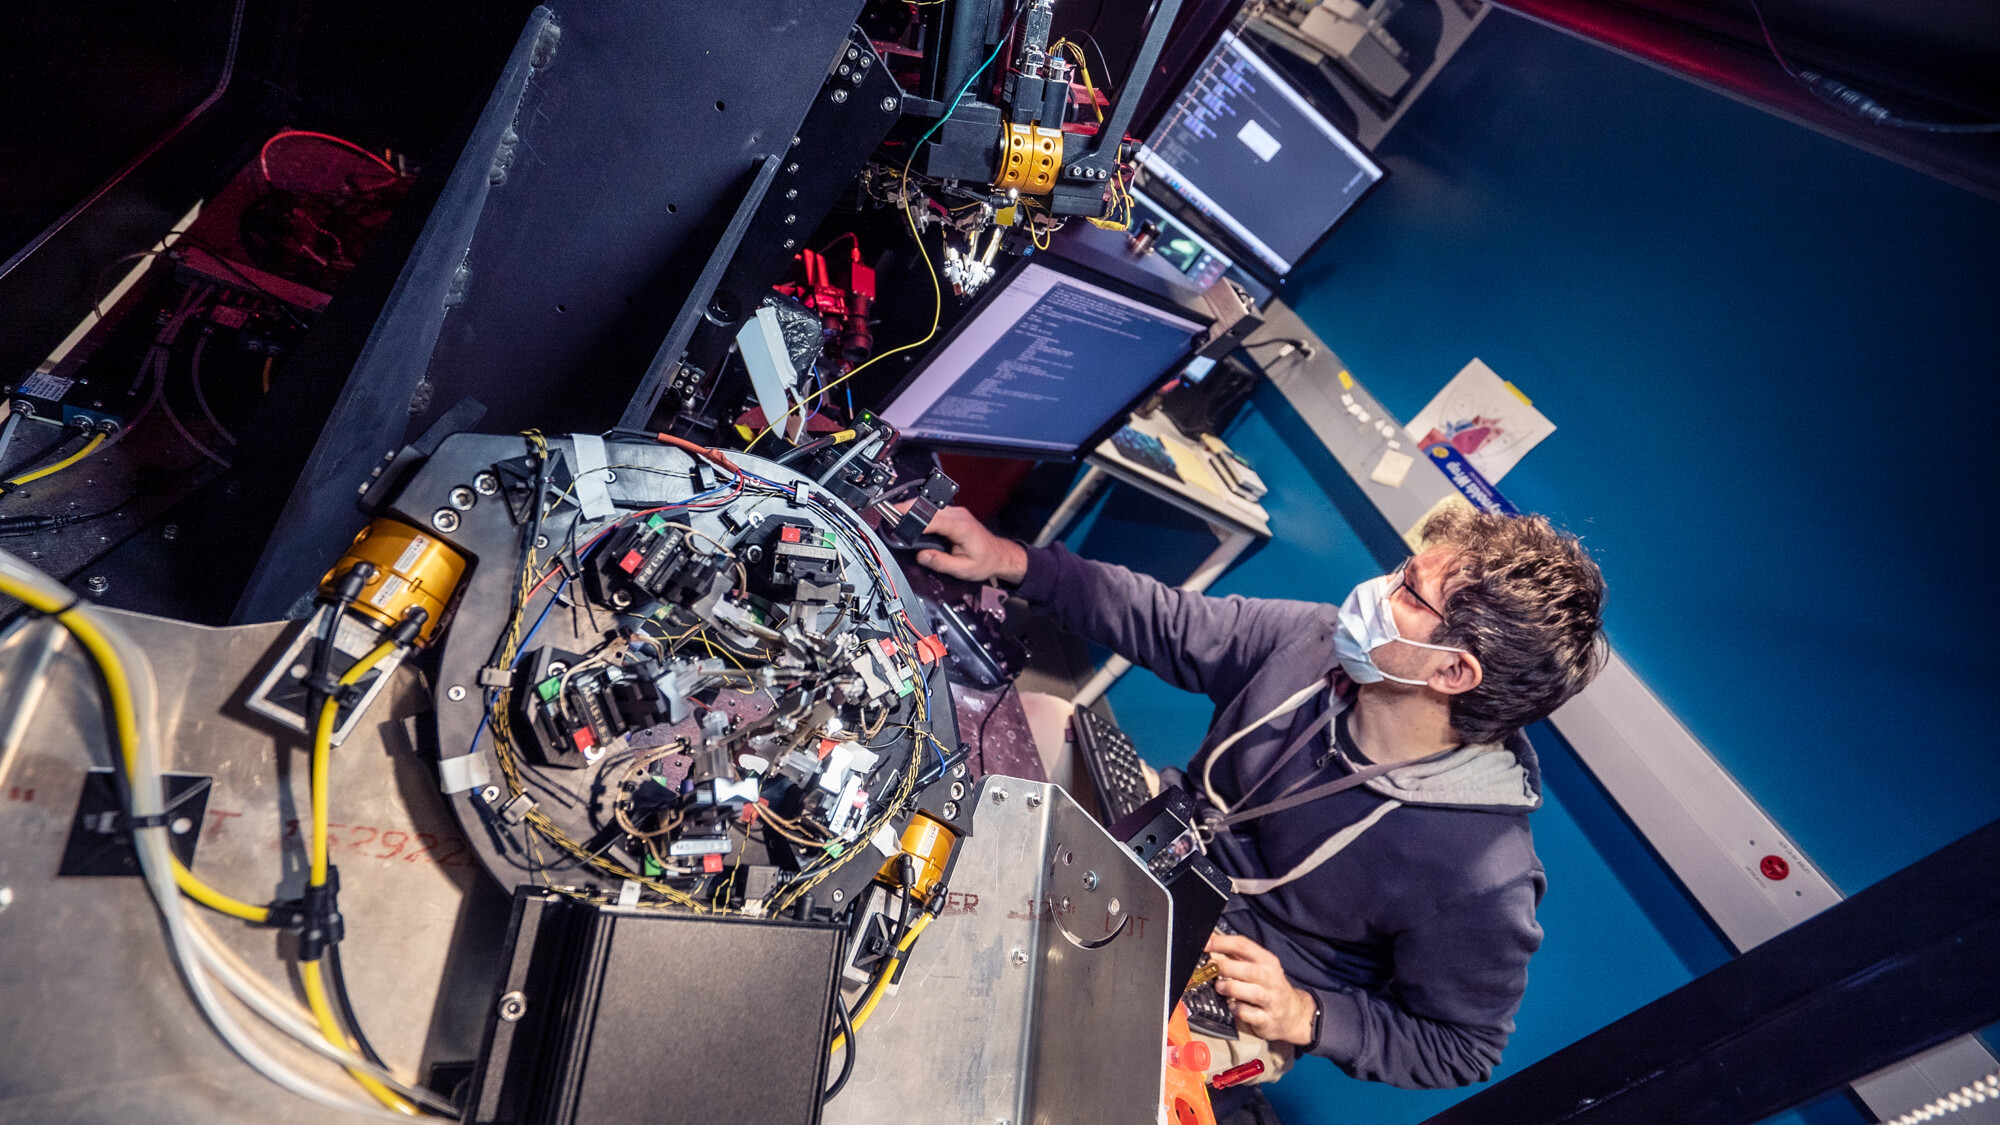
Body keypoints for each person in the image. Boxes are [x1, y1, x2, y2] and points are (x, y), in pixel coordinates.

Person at [916, 503, 1607, 1093]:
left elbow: (1463, 1047)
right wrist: (1009, 560)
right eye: (1403, 569)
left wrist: (1306, 1013)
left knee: (1056, 1041)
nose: (1377, 588)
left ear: (1453, 671)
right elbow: (1167, 620)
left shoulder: (1485, 874)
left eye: (1409, 591)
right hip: (1165, 830)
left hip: (1237, 973)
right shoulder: (1314, 642)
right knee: (1033, 718)